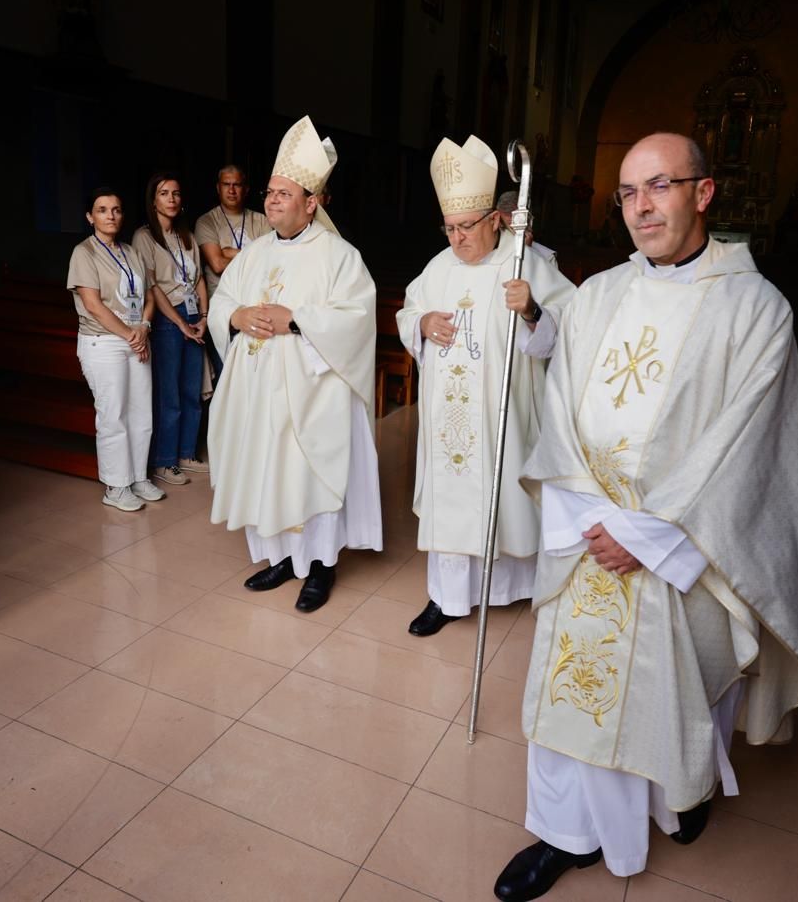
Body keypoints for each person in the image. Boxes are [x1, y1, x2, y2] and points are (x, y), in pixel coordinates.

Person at [493, 132, 798, 900]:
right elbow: (560, 411)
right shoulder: (597, 295)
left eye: (660, 187)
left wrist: (647, 535)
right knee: (569, 690)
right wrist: (590, 519)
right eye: (628, 194)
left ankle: (680, 793)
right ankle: (562, 835)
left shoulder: (757, 310)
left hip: (681, 543)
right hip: (586, 536)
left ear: (703, 192)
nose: (642, 209)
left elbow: (744, 448)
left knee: (677, 686)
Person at [398, 136, 574, 636]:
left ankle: (510, 588)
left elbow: (574, 324)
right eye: (449, 228)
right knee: (452, 499)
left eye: (466, 226)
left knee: (503, 494)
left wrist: (535, 310)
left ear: (495, 220)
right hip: (448, 422)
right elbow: (407, 312)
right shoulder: (438, 267)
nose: (456, 238)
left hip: (505, 416)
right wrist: (422, 322)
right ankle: (448, 597)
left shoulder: (528, 264)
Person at [207, 116, 379, 613]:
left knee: (307, 474)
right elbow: (224, 304)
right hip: (260, 392)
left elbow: (357, 317)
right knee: (270, 471)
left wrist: (297, 320)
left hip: (313, 393)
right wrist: (236, 314)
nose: (273, 199)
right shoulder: (253, 253)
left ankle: (320, 566)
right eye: (271, 191)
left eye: (285, 193)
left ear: (312, 202)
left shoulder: (340, 256)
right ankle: (282, 558)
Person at [67, 187, 166, 512]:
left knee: (141, 412)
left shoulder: (130, 252)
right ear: (89, 216)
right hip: (104, 342)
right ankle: (116, 485)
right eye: (102, 209)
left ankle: (138, 477)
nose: (110, 215)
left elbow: (149, 297)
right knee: (114, 415)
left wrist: (144, 328)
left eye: (116, 209)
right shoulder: (84, 252)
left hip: (136, 337)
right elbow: (93, 305)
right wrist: (129, 333)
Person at [132, 171, 209, 486]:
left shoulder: (185, 235)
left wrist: (204, 316)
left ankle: (187, 454)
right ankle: (164, 461)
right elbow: (153, 289)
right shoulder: (144, 237)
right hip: (167, 319)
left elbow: (200, 278)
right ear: (153, 199)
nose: (172, 199)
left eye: (176, 193)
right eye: (165, 193)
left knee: (192, 389)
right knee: (170, 394)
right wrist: (181, 324)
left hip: (192, 314)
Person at [195, 165, 271, 300]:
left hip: (255, 297)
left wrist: (230, 252)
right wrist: (253, 256)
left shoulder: (262, 220)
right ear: (218, 188)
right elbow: (218, 265)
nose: (231, 190)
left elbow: (267, 262)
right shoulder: (206, 221)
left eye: (237, 185)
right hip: (222, 300)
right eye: (226, 184)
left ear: (246, 189)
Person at [496, 189, 558, 265]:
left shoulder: (547, 257)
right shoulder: (487, 252)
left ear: (528, 221)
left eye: (514, 226)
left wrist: (527, 252)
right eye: (503, 227)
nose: (506, 233)